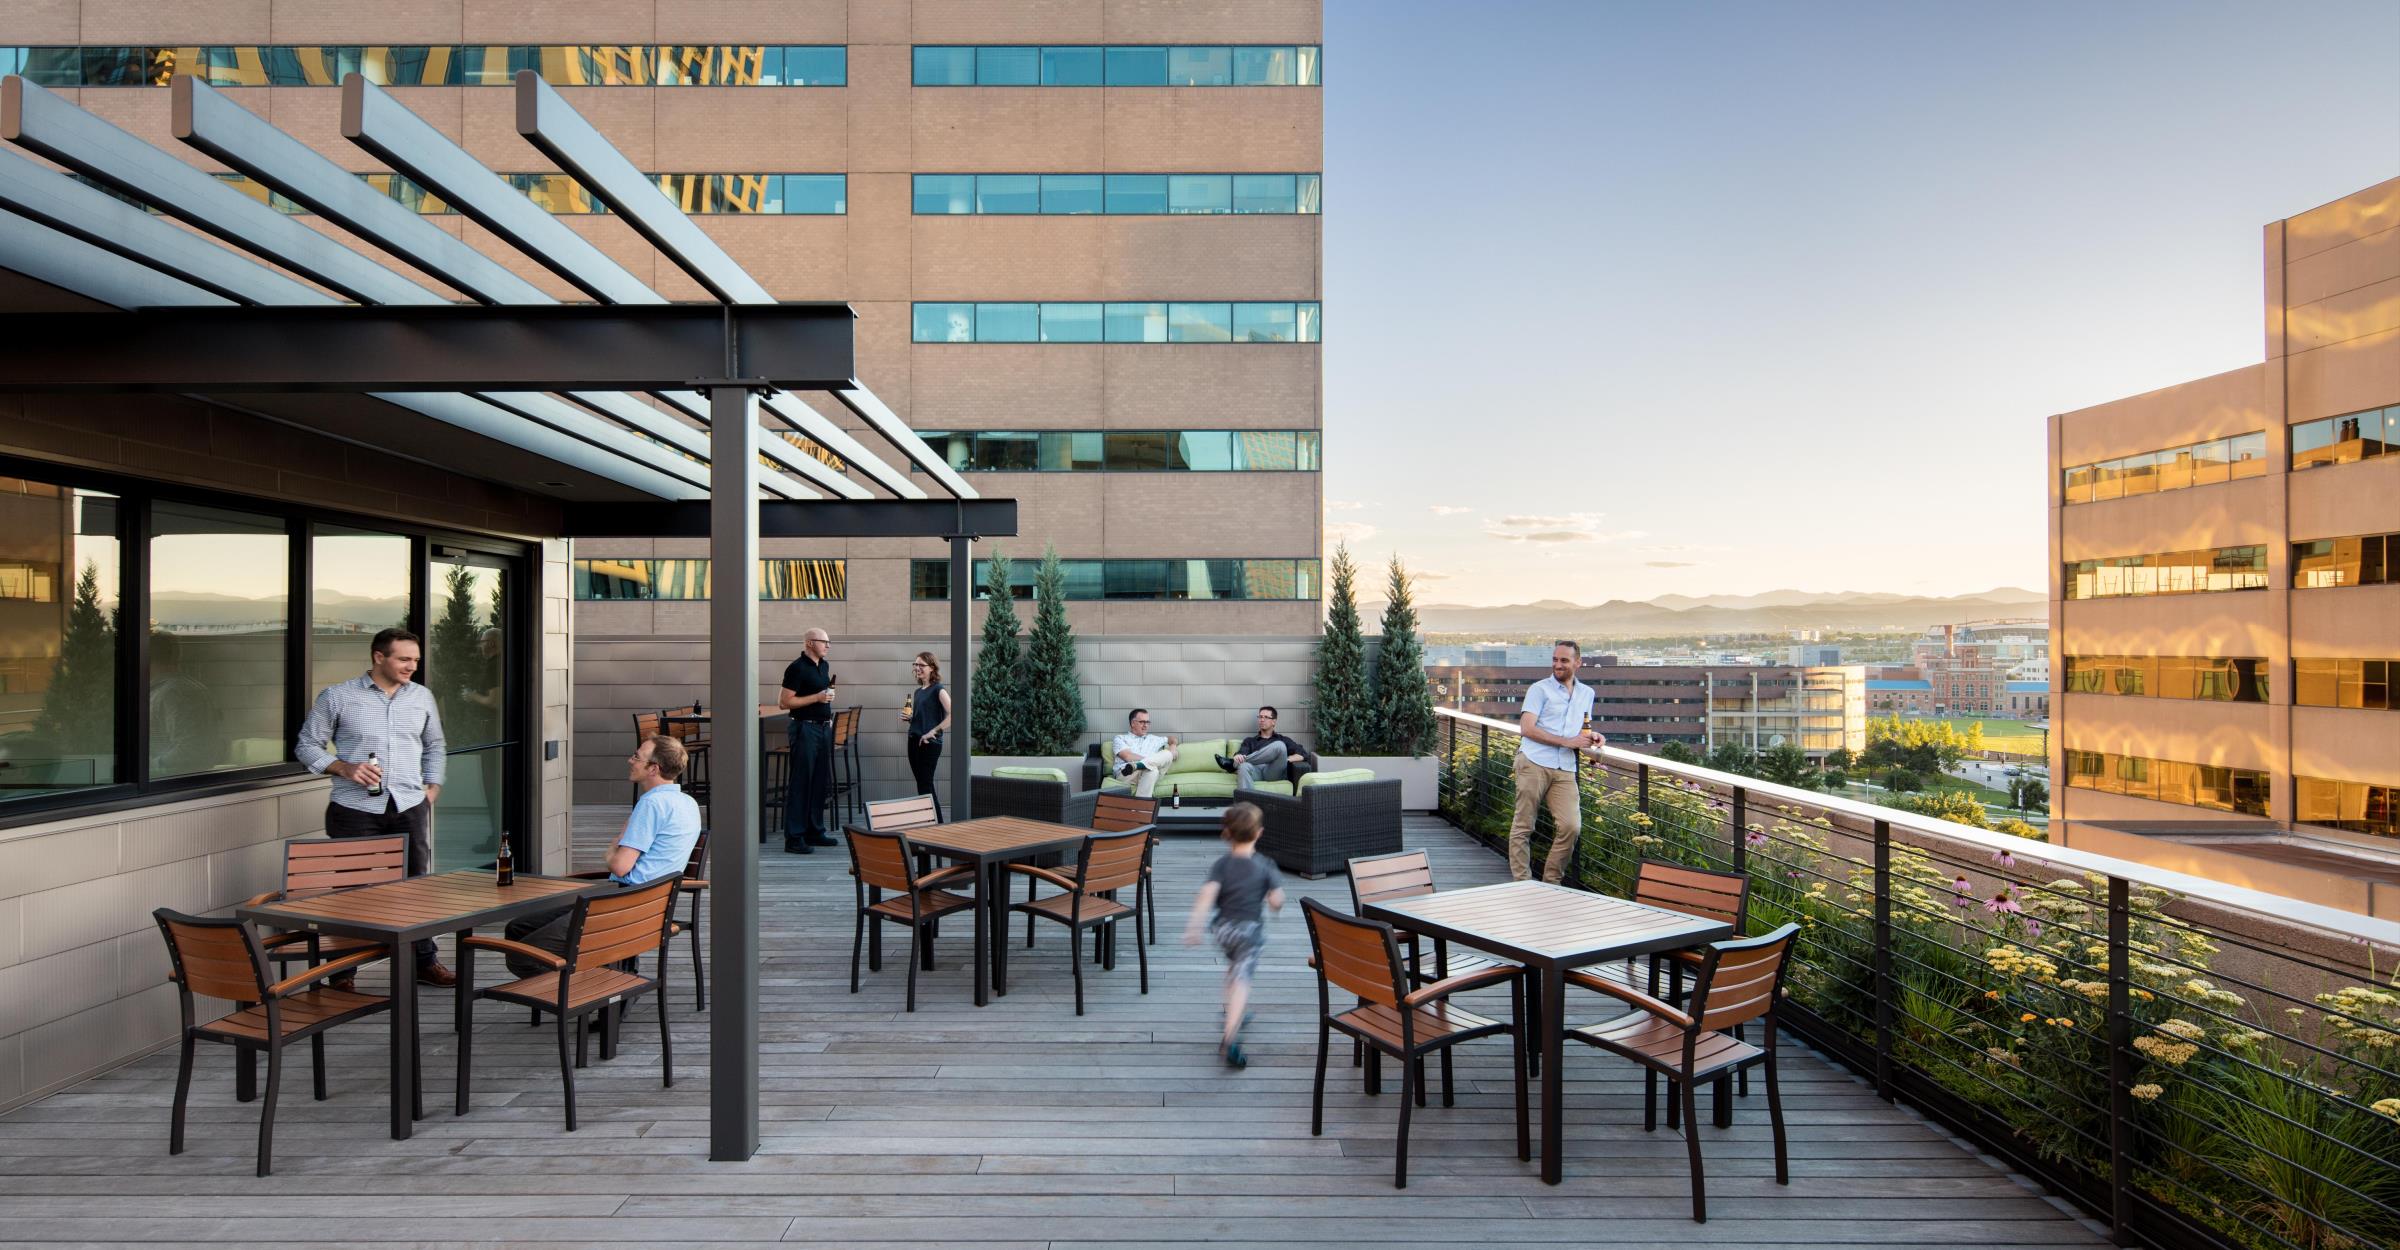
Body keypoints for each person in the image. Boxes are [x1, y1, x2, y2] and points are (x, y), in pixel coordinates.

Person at [295, 627, 453, 986]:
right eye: (404, 659)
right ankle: (342, 973)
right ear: (378, 657)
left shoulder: (421, 697)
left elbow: (435, 745)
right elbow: (306, 745)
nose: (412, 666)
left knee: (416, 886)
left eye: (415, 660)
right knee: (352, 891)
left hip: (409, 805)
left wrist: (432, 787)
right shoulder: (337, 697)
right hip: (353, 810)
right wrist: (343, 767)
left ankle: (423, 961)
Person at [500, 734, 702, 977]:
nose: (630, 760)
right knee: (518, 928)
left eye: (637, 757)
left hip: (623, 906)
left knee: (522, 956)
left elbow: (619, 866)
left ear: (653, 769)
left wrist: (613, 847)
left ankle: (583, 990)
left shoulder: (652, 804)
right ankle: (598, 982)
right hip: (650, 906)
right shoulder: (688, 803)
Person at [1183, 802, 1284, 1068]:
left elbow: (1206, 895)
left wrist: (1194, 927)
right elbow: (1276, 899)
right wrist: (1275, 903)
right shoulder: (1265, 865)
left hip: (1223, 931)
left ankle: (1233, 1012)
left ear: (1228, 833)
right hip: (1248, 934)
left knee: (1233, 969)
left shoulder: (1222, 865)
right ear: (1259, 833)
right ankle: (1230, 1037)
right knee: (1242, 981)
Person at [1509, 639, 1606, 884]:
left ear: (1578, 663)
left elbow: (1581, 729)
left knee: (1571, 827)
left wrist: (1594, 736)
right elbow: (1527, 728)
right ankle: (1522, 884)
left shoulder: (1587, 694)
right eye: (1555, 659)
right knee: (1523, 826)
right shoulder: (1539, 689)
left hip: (1565, 768)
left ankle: (1551, 883)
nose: (1558, 665)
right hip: (1534, 762)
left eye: (1564, 660)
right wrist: (1566, 741)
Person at [777, 628, 839, 854]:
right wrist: (818, 697)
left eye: (829, 642)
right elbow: (784, 702)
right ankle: (794, 838)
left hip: (822, 729)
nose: (828, 645)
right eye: (824, 642)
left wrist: (826, 699)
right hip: (804, 729)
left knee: (819, 781)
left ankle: (814, 831)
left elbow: (821, 695)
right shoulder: (797, 667)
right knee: (801, 783)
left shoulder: (824, 666)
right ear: (810, 643)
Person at [903, 652, 952, 818]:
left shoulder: (938, 689)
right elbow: (924, 718)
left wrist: (934, 731)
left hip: (929, 744)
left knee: (926, 784)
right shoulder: (918, 692)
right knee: (922, 785)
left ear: (932, 668)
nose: (917, 668)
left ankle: (937, 823)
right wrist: (910, 719)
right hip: (914, 741)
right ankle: (929, 821)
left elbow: (954, 714)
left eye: (921, 665)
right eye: (915, 665)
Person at [1214, 705, 1311, 788]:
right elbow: (1242, 753)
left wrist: (1286, 759)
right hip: (1256, 771)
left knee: (1279, 746)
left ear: (1273, 721)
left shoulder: (1282, 739)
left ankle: (1232, 764)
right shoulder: (1250, 741)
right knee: (1243, 766)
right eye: (1260, 717)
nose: (1262, 720)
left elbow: (1303, 754)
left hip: (1274, 772)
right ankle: (1246, 802)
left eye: (1266, 717)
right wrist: (1238, 757)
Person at [1110, 708, 1177, 799]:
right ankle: (1142, 807)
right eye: (1142, 722)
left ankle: (1138, 765)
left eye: (1147, 722)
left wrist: (1173, 746)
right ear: (1133, 723)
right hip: (1127, 773)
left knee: (1167, 754)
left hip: (1145, 770)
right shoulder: (1120, 738)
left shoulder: (1153, 739)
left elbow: (1172, 739)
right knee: (1153, 770)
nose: (1145, 725)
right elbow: (1127, 756)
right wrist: (1152, 761)